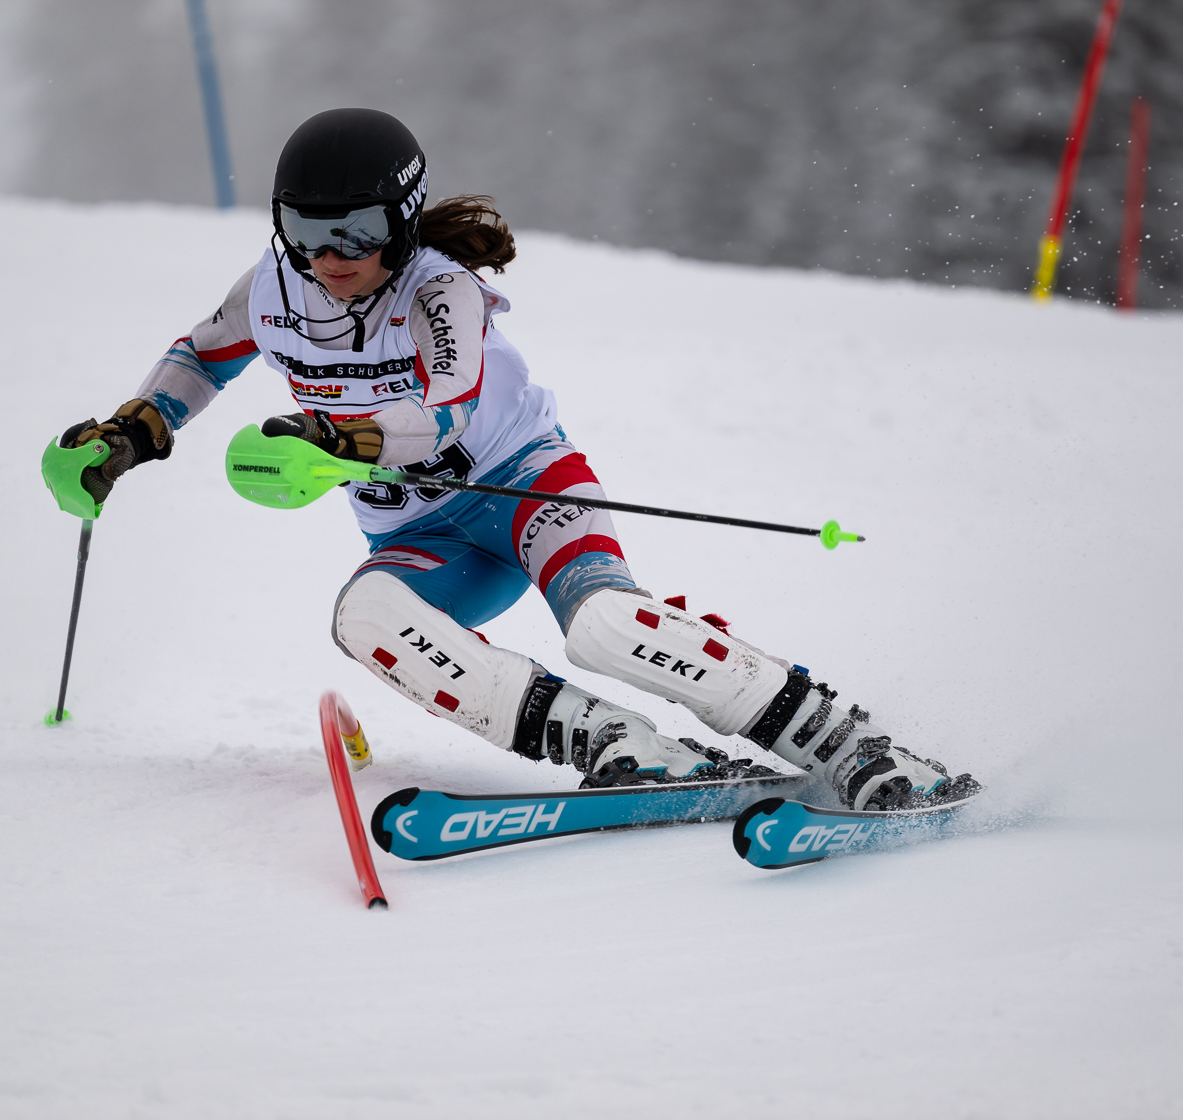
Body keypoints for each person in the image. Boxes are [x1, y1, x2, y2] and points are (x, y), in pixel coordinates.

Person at [56, 108, 974, 810]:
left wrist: (344, 439)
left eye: (360, 230)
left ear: (404, 220)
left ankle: (850, 746)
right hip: (420, 529)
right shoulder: (270, 288)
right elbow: (199, 357)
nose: (331, 256)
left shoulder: (439, 289)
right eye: (306, 230)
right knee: (365, 615)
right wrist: (129, 434)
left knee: (604, 627)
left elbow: (447, 413)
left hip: (527, 487)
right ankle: (616, 745)